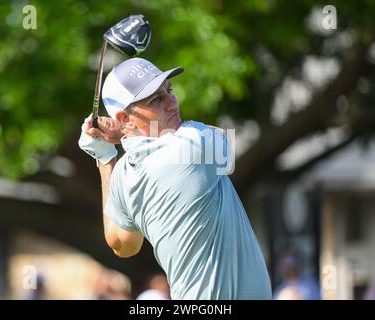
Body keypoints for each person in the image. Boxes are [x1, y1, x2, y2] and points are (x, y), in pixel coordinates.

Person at [78, 57, 272, 299]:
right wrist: (121, 139)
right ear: (125, 119)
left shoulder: (124, 175)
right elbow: (226, 144)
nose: (172, 103)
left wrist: (105, 156)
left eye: (169, 90)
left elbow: (122, 244)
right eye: (155, 100)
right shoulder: (193, 144)